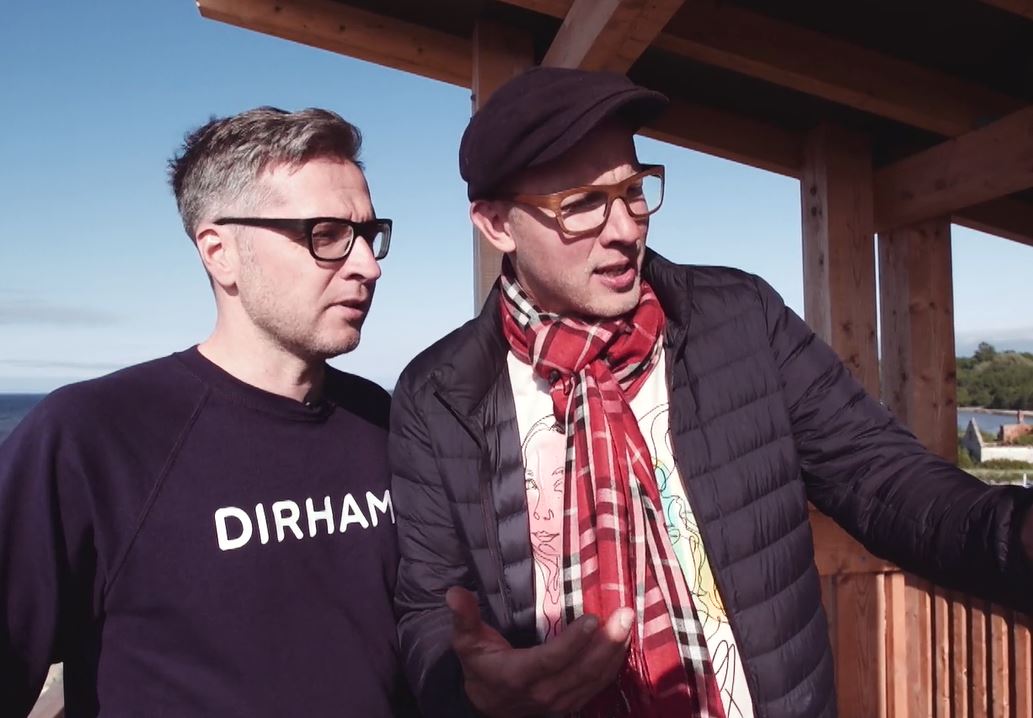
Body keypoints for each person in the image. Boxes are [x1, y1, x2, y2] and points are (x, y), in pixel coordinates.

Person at [389, 67, 1033, 718]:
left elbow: (885, 480)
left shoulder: (741, 320)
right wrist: (469, 690)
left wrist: (1017, 536)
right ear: (496, 224)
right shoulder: (439, 397)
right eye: (582, 203)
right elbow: (429, 608)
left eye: (633, 190)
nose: (625, 228)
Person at [0, 107, 411, 716]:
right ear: (220, 253)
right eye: (325, 234)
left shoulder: (380, 418)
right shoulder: (90, 438)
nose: (368, 265)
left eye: (369, 234)